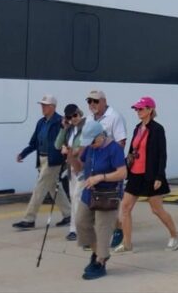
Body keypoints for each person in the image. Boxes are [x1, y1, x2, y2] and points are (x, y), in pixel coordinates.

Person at [113, 96, 178, 253]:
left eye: (141, 109)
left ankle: (175, 235)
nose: (138, 111)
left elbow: (162, 154)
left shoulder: (157, 129)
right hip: (135, 174)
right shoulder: (137, 128)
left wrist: (159, 176)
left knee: (156, 209)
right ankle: (127, 243)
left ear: (150, 110)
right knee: (125, 207)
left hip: (150, 175)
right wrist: (125, 167)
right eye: (136, 109)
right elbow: (132, 151)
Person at [75, 120, 127, 280]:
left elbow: (122, 173)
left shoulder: (114, 149)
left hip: (107, 194)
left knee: (103, 228)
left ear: (101, 136)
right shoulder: (90, 148)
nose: (90, 145)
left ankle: (100, 261)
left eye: (92, 141)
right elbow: (79, 165)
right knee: (81, 222)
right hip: (89, 192)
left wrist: (101, 177)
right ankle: (97, 252)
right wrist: (70, 156)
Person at [12, 95, 71, 229]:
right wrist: (23, 153)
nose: (42, 107)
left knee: (39, 188)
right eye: (42, 105)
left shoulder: (60, 122)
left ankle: (29, 219)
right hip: (42, 159)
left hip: (53, 161)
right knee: (54, 188)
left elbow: (65, 140)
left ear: (52, 107)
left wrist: (65, 159)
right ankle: (68, 214)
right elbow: (34, 143)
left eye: (45, 105)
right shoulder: (41, 122)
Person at [86, 89, 128, 248]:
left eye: (95, 101)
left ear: (104, 101)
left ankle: (119, 230)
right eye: (89, 101)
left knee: (113, 201)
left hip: (111, 167)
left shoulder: (114, 117)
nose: (92, 104)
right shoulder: (89, 118)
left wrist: (110, 162)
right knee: (95, 201)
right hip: (93, 167)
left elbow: (121, 142)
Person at [55, 103, 87, 241]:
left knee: (76, 197)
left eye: (75, 115)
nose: (73, 118)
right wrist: (64, 128)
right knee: (74, 198)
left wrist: (70, 150)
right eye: (69, 117)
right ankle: (74, 229)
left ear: (80, 113)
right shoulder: (70, 130)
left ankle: (78, 229)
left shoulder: (86, 127)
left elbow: (84, 147)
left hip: (82, 168)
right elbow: (57, 145)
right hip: (71, 168)